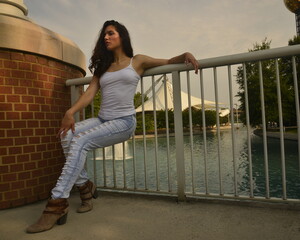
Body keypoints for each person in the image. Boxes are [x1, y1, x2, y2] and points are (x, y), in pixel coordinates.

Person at [26, 20, 199, 233]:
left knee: (80, 140)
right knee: (66, 134)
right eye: (104, 35)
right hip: (102, 120)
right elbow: (89, 94)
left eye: (110, 33)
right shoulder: (103, 67)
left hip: (124, 122)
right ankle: (85, 187)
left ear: (121, 36)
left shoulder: (138, 61)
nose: (106, 38)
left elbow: (167, 61)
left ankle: (56, 204)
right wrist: (69, 113)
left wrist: (184, 56)